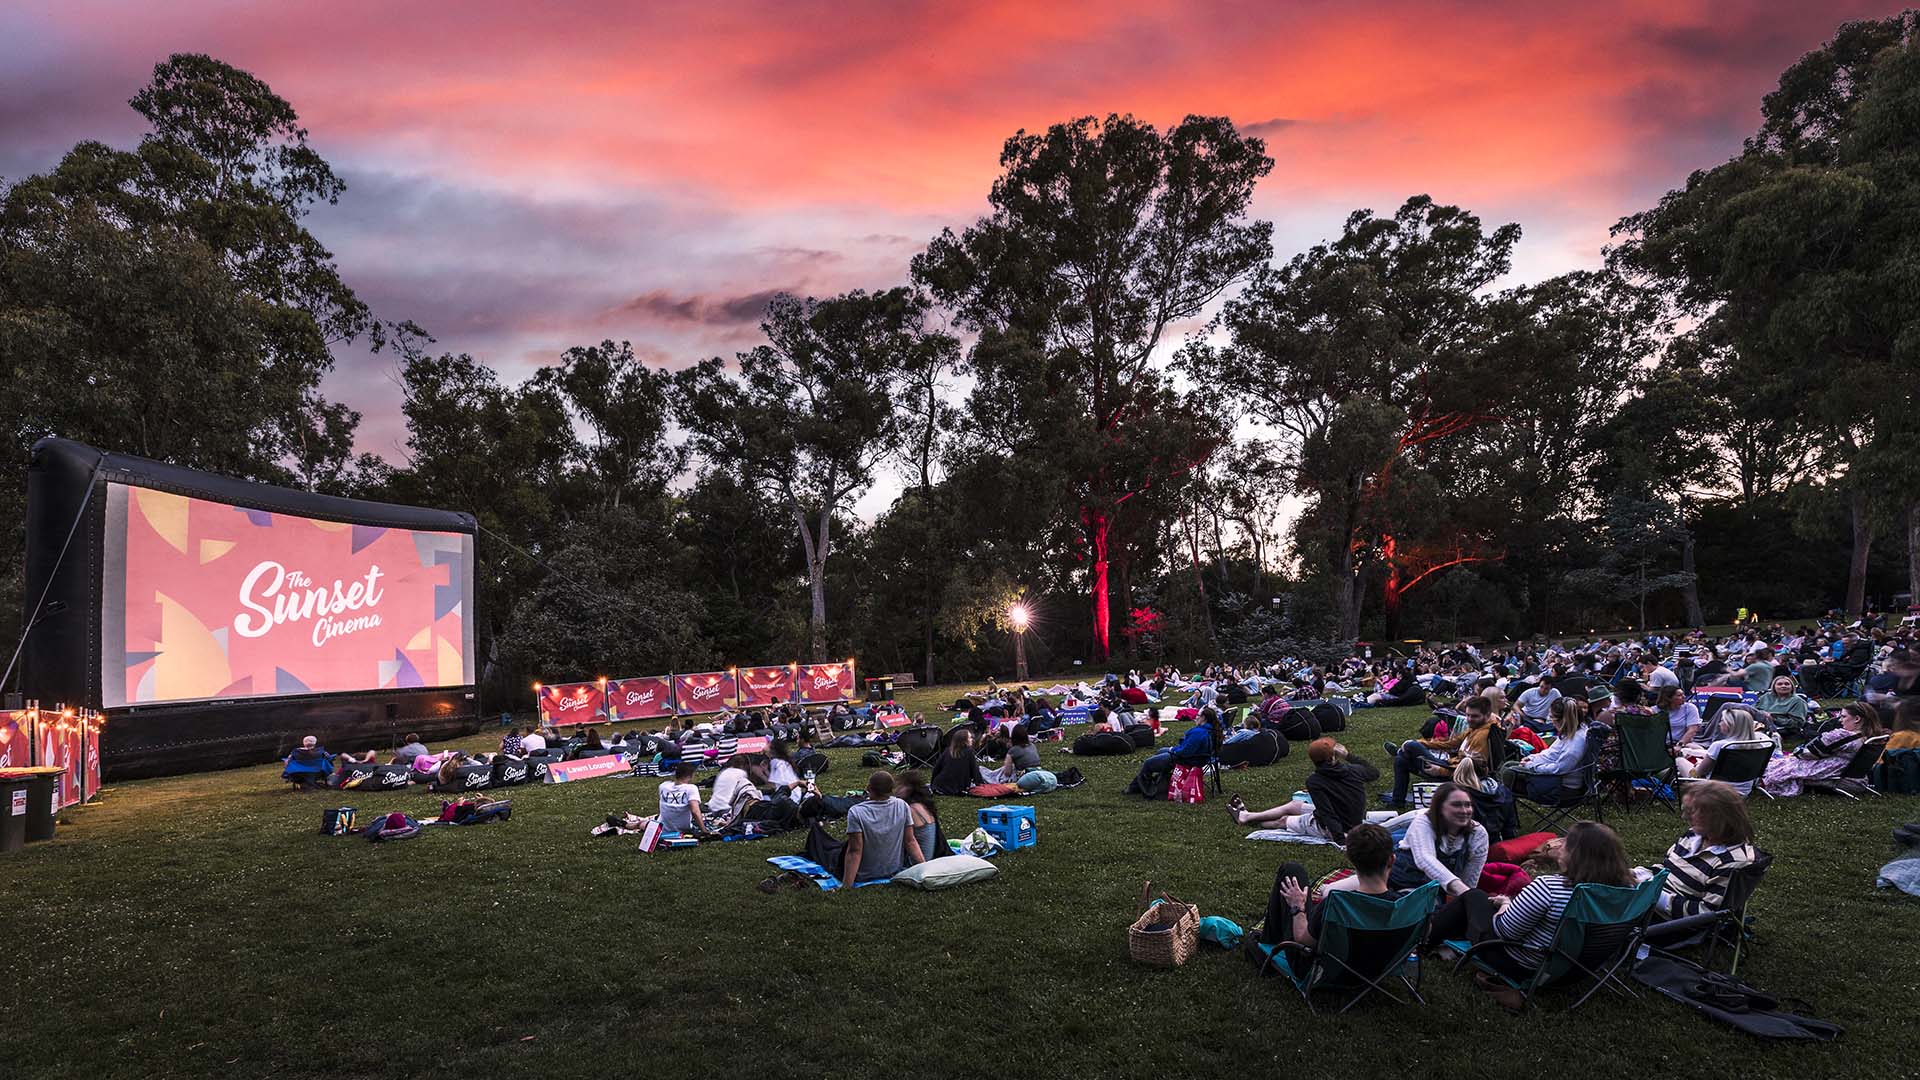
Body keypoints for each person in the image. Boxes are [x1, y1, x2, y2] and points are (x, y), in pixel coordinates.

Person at [1453, 821, 1638, 1010]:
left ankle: (1427, 938)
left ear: (1575, 854)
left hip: (1525, 966)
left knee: (1474, 897)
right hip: (1584, 968)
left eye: (1565, 843)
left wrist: (1506, 904)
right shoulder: (1628, 890)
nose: (1559, 845)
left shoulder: (1549, 887)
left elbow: (1504, 932)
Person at [1260, 823, 1402, 952]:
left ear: (1350, 859)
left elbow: (1304, 941)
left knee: (1292, 870)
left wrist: (1297, 908)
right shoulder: (1405, 905)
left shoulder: (1336, 905)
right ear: (1392, 859)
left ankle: (1266, 940)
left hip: (1328, 970)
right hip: (1378, 968)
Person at [1642, 780, 1758, 919]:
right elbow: (1667, 869)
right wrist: (1637, 875)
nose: (1684, 817)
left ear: (1717, 817)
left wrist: (1653, 896)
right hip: (1649, 905)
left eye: (1691, 811)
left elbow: (1706, 914)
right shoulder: (1693, 836)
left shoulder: (1732, 862)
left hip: (1670, 924)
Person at [1227, 738, 1377, 841]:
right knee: (1294, 805)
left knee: (1283, 821)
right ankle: (1247, 816)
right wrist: (1349, 756)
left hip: (1340, 827)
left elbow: (1327, 813)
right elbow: (1373, 773)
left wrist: (1340, 839)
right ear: (1333, 757)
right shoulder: (1353, 770)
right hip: (1348, 817)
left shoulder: (1316, 781)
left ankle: (1249, 820)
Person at [1382, 696, 1496, 807]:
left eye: (1475, 716)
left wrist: (1440, 771)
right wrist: (1422, 743)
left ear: (1487, 715)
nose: (1470, 719)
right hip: (1450, 765)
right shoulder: (1475, 728)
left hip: (1453, 773)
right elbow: (1451, 744)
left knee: (1410, 747)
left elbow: (1474, 769)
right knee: (1401, 760)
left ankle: (1399, 753)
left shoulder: (1483, 735)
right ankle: (1397, 801)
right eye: (1468, 715)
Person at [1760, 700, 1883, 797]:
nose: (1840, 720)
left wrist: (1797, 753)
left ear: (1857, 719)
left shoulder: (1843, 736)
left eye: (1844, 717)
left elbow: (1810, 753)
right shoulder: (1871, 736)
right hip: (1848, 771)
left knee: (1774, 767)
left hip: (1832, 771)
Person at [1388, 782, 1488, 898]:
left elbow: (1470, 879)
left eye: (1468, 805)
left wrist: (1467, 899)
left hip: (1434, 891)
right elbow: (1425, 860)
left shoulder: (1478, 834)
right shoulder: (1423, 822)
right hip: (1400, 883)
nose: (1464, 811)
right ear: (1440, 807)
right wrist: (1462, 890)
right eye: (1456, 805)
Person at [841, 771, 923, 886]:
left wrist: (846, 885)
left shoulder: (856, 812)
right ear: (891, 789)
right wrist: (924, 869)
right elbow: (910, 841)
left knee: (827, 848)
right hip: (893, 870)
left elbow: (855, 851)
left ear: (869, 788)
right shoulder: (902, 806)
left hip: (864, 873)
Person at [1675, 706, 1774, 795]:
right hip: (1743, 791)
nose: (1719, 724)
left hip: (1716, 791)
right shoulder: (1760, 743)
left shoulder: (1720, 745)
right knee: (1694, 747)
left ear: (1730, 724)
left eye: (1722, 721)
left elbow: (1700, 772)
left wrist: (1696, 766)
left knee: (1679, 760)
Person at [1124, 708, 1219, 798]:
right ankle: (1161, 781)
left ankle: (1139, 787)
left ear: (1204, 718)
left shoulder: (1199, 733)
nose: (1196, 717)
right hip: (1199, 758)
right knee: (1161, 751)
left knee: (1148, 763)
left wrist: (1173, 750)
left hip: (1187, 760)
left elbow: (1185, 752)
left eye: (1198, 715)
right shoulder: (1210, 729)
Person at [896, 770, 943, 864]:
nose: (897, 789)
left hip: (918, 862)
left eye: (901, 786)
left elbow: (908, 841)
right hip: (931, 856)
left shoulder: (911, 809)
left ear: (910, 788)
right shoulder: (924, 805)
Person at [930, 727, 987, 795]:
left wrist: (933, 783)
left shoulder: (947, 750)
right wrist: (981, 784)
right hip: (957, 787)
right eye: (969, 738)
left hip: (940, 785)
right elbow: (975, 771)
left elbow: (936, 768)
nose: (972, 739)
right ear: (963, 740)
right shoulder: (969, 752)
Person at [657, 761, 704, 833]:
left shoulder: (663, 786)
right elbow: (695, 811)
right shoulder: (691, 788)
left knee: (646, 822)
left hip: (663, 828)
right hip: (682, 829)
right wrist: (704, 830)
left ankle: (635, 825)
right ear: (690, 775)